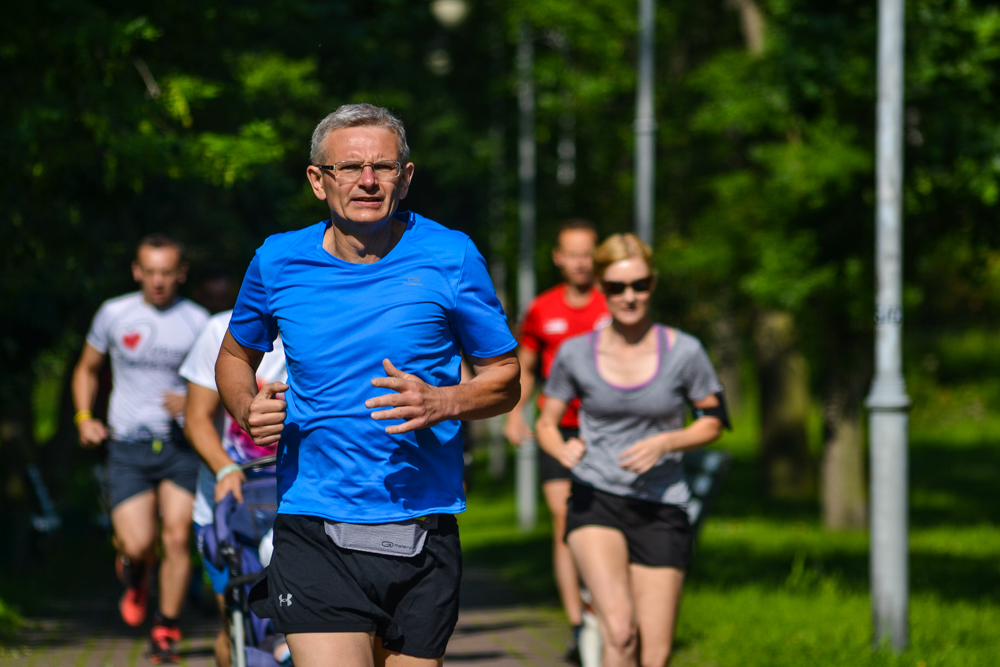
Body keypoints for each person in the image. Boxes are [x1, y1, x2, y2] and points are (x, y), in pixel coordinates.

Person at [215, 103, 520, 667]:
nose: (368, 181)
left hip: (420, 524)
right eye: (349, 169)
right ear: (317, 180)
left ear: (406, 177)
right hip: (313, 519)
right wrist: (245, 406)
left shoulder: (451, 256)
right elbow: (235, 355)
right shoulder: (278, 260)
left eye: (383, 167)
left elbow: (505, 378)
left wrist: (444, 400)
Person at [536, 233, 728, 667]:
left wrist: (667, 440)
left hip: (661, 504)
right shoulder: (575, 354)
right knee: (620, 631)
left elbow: (715, 421)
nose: (630, 296)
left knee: (654, 654)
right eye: (618, 287)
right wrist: (560, 448)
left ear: (653, 284)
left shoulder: (684, 352)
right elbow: (546, 422)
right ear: (602, 289)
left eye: (640, 285)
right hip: (596, 497)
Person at [72, 234, 209, 664]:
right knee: (138, 545)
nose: (158, 281)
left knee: (176, 537)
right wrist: (83, 417)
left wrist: (193, 403)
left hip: (180, 446)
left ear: (181, 274)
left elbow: (217, 381)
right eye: (149, 272)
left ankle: (165, 627)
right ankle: (137, 575)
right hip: (128, 447)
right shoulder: (115, 313)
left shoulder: (198, 321)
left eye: (167, 273)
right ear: (136, 271)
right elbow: (87, 369)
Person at [503, 219, 609, 661]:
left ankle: (607, 611)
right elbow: (524, 366)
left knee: (607, 523)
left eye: (589, 253)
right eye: (573, 253)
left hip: (609, 429)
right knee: (565, 523)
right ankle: (578, 623)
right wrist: (514, 413)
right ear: (558, 258)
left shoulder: (617, 301)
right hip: (558, 427)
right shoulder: (543, 310)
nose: (582, 262)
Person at [180, 308, 289, 667]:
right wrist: (225, 467)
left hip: (298, 496)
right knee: (238, 624)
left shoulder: (324, 320)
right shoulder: (219, 330)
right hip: (227, 505)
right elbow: (196, 419)